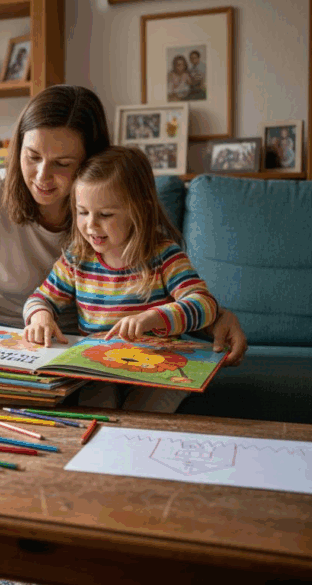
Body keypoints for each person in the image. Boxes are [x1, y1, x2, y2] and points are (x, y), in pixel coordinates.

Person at [0, 84, 247, 367]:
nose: (41, 177)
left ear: (90, 163)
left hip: (75, 345)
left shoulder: (110, 214)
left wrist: (217, 317)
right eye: (32, 156)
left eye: (62, 163)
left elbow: (169, 294)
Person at [23, 145, 219, 412]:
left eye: (105, 215)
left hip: (158, 367)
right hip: (100, 366)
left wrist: (153, 317)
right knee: (95, 408)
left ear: (141, 211)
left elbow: (205, 304)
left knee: (143, 414)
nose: (91, 225)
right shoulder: (78, 258)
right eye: (83, 212)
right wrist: (40, 316)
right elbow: (41, 297)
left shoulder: (163, 256)